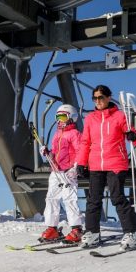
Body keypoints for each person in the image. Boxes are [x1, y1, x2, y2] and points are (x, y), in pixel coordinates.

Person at [75, 85, 136, 250]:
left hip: (116, 163)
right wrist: (81, 162)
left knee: (117, 198)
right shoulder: (90, 118)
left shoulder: (120, 116)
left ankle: (132, 233)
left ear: (109, 98)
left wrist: (133, 136)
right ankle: (92, 233)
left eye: (101, 97)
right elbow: (85, 142)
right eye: (95, 98)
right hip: (96, 164)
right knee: (93, 200)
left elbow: (133, 135)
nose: (98, 101)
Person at [39, 104, 84, 243]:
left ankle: (76, 229)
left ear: (71, 118)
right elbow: (55, 153)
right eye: (57, 117)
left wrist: (75, 167)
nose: (60, 120)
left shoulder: (75, 134)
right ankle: (52, 228)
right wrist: (47, 153)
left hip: (68, 172)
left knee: (69, 200)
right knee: (51, 199)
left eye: (63, 117)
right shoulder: (57, 134)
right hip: (56, 171)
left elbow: (80, 151)